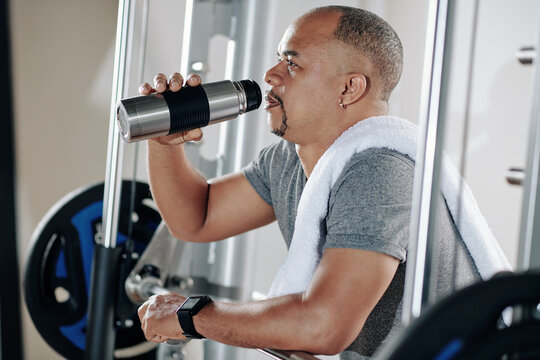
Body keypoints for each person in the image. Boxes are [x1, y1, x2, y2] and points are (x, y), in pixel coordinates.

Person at [137, 6, 481, 359]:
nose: (270, 74)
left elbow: (323, 324)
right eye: (277, 60)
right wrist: (163, 140)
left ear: (349, 88)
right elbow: (197, 217)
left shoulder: (379, 171)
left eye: (292, 64)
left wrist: (191, 315)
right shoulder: (288, 158)